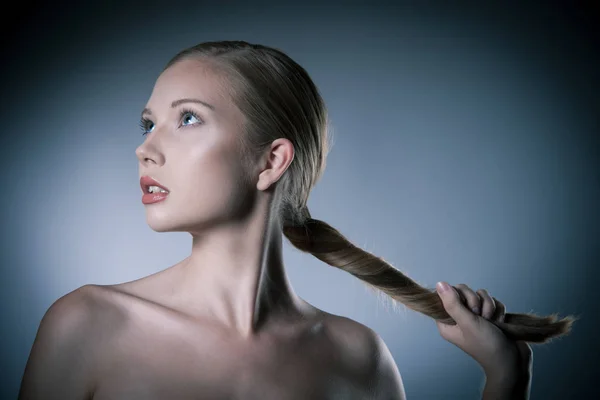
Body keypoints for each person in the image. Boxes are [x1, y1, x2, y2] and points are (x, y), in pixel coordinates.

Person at [18, 40, 573, 399]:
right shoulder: (86, 324)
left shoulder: (358, 358)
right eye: (147, 124)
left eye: (187, 118)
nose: (146, 149)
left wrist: (505, 380)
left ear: (271, 161)